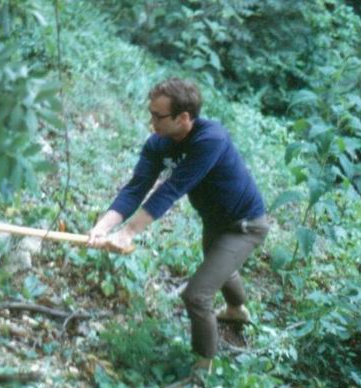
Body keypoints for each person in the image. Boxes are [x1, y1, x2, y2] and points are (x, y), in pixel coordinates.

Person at [88, 78, 269, 372]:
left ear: (183, 117)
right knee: (218, 263)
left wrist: (129, 232)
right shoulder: (158, 144)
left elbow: (171, 190)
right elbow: (136, 187)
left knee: (197, 295)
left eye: (158, 116)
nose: (151, 122)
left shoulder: (211, 139)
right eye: (151, 114)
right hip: (214, 221)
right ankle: (237, 311)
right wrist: (103, 225)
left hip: (245, 225)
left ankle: (202, 372)